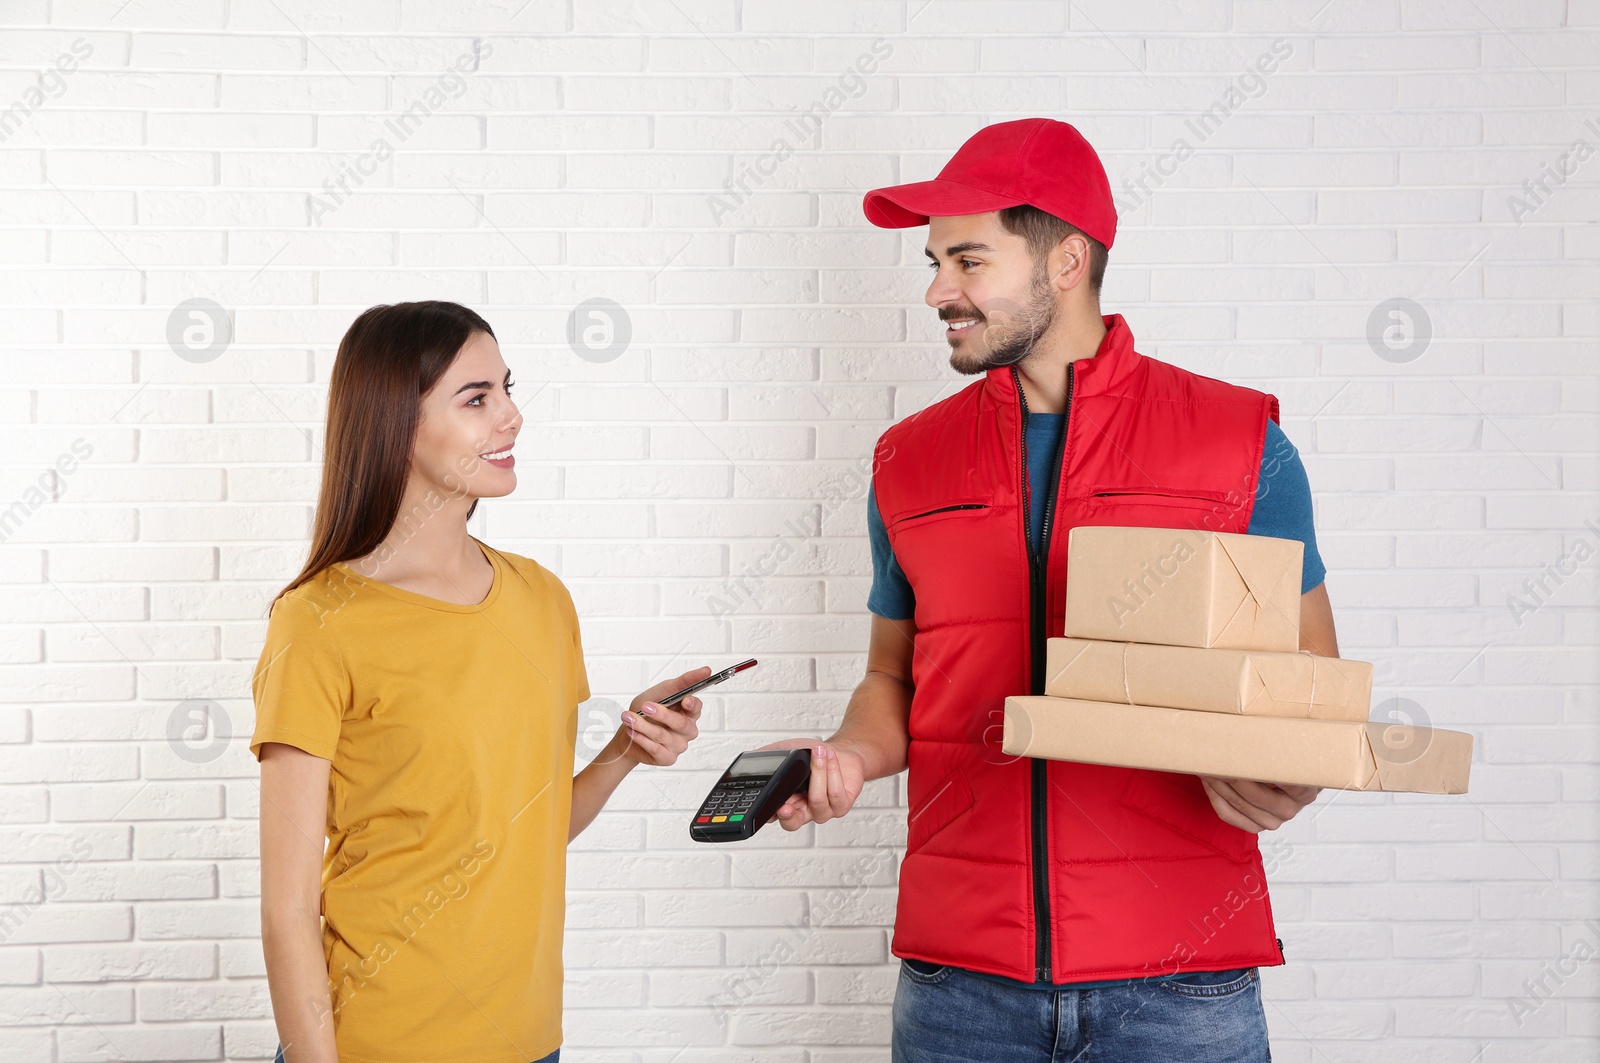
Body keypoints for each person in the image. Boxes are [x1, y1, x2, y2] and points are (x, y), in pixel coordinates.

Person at [763, 118, 1345, 1062]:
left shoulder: (1237, 442)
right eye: (933, 261)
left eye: (967, 259)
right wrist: (843, 757)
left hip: (1180, 980)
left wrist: (1292, 772)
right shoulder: (908, 460)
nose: (936, 290)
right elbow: (892, 682)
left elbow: (1311, 677)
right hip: (962, 987)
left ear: (1066, 258)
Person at [251, 301, 709, 1063]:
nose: (513, 416)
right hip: (380, 1043)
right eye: (477, 397)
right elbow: (287, 907)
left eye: (507, 388)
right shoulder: (318, 622)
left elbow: (528, 826)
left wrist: (628, 748)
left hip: (531, 1040)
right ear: (397, 420)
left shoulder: (542, 599)